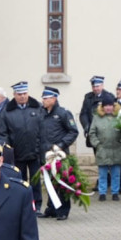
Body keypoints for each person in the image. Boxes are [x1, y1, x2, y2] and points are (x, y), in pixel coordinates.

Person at [0, 81, 44, 209]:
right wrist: (9, 150)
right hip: (17, 154)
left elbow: (43, 129)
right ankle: (22, 206)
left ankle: (37, 205)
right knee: (19, 181)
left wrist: (41, 147)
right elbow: (2, 133)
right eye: (19, 94)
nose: (22, 96)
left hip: (35, 152)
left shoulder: (37, 107)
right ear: (14, 95)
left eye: (24, 93)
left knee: (35, 182)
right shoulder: (7, 111)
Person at [38, 87, 79, 220]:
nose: (43, 100)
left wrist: (61, 145)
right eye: (43, 98)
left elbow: (73, 131)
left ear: (54, 99)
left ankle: (63, 210)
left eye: (46, 98)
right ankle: (52, 208)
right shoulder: (41, 113)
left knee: (61, 182)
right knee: (49, 181)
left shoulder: (63, 113)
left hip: (58, 154)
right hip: (45, 154)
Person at [88, 95, 121, 201]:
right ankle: (102, 193)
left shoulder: (120, 117)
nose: (108, 107)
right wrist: (97, 144)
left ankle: (115, 192)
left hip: (117, 149)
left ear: (114, 106)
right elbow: (92, 133)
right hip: (103, 149)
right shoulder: (96, 118)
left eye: (110, 105)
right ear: (102, 107)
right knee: (102, 174)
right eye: (106, 105)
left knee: (116, 174)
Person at [79, 76, 113, 149]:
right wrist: (86, 126)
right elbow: (83, 114)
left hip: (105, 132)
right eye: (93, 86)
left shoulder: (109, 96)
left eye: (97, 86)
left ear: (102, 85)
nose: (95, 89)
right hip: (93, 131)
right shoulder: (88, 97)